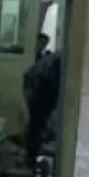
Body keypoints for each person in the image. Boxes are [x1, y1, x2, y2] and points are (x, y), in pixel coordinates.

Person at [23, 33, 61, 166]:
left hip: (38, 89)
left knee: (36, 125)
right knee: (37, 125)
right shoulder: (58, 62)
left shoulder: (55, 58)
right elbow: (54, 83)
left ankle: (31, 156)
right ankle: (32, 157)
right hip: (39, 91)